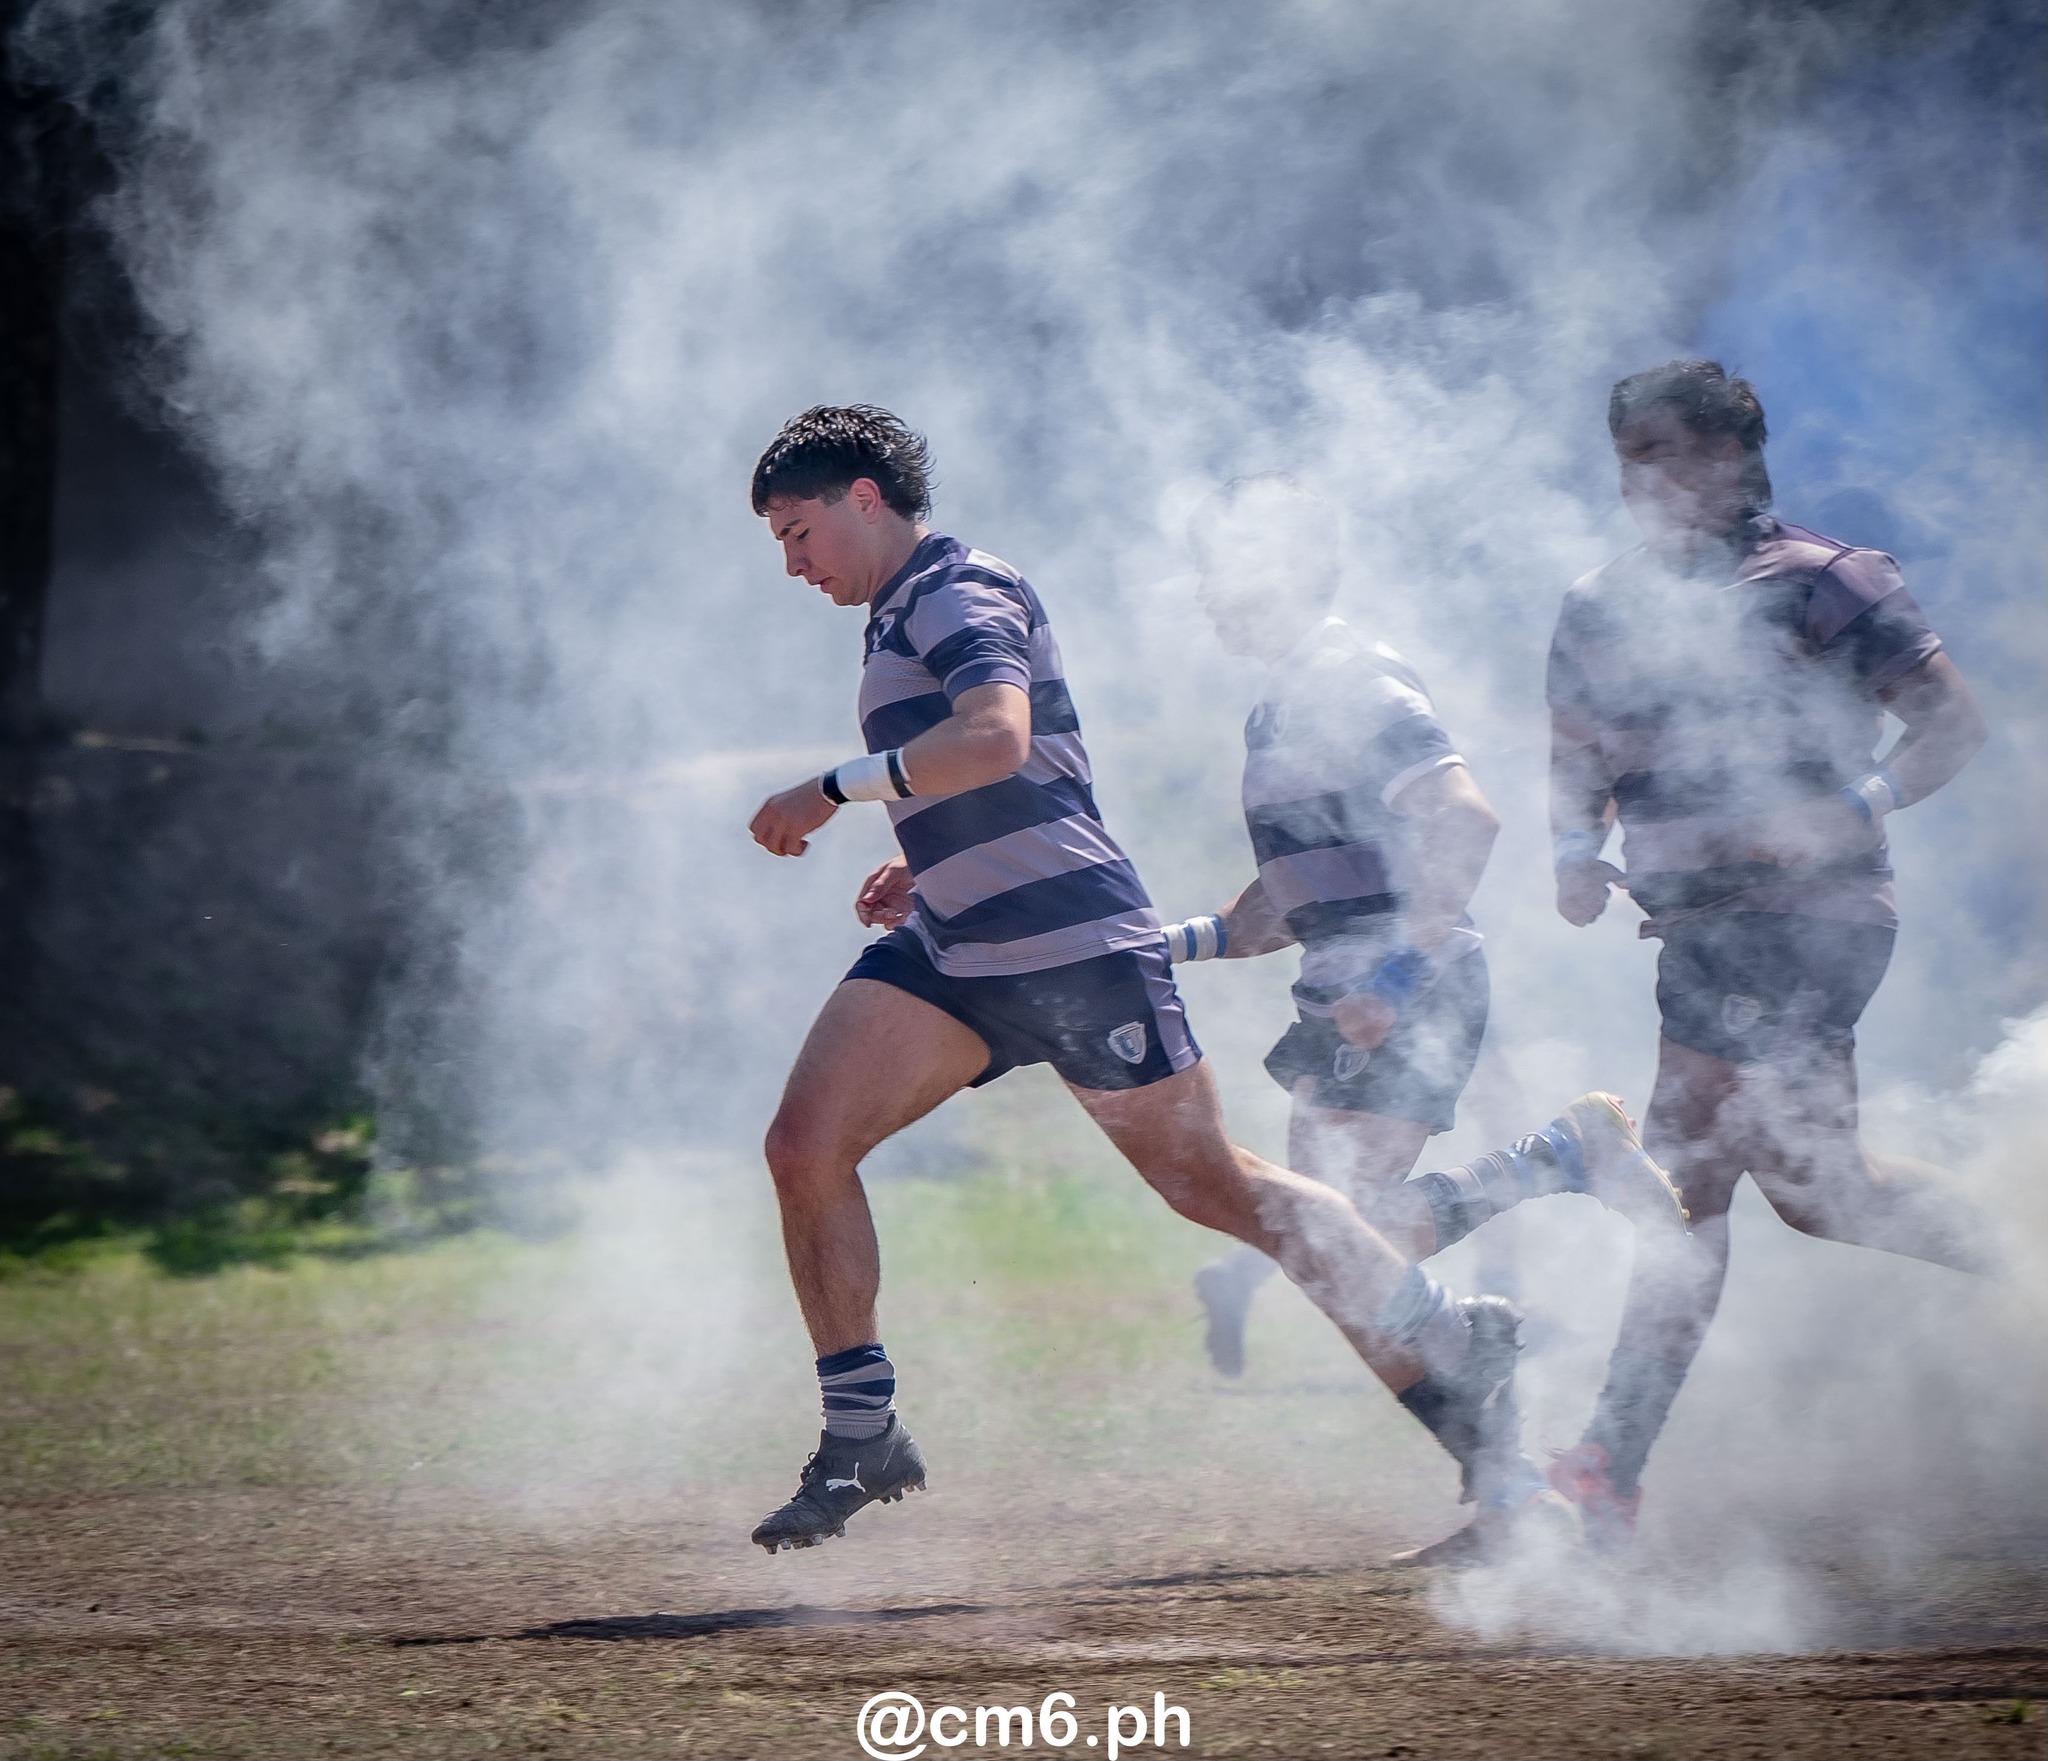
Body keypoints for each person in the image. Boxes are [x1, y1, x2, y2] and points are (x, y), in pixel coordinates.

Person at [742, 406, 1634, 1562]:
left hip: (1067, 944)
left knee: (1224, 1191)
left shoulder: (956, 591)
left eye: (799, 530)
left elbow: (999, 737)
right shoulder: (893, 615)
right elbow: (1011, 779)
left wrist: (833, 787)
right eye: (778, 542)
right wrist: (925, 858)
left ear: (866, 497)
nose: (792, 562)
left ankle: (1459, 1367)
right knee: (803, 1144)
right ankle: (861, 1432)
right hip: (961, 944)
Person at [1157, 480, 1687, 1565]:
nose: (1202, 590)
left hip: (1397, 991)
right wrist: (1159, 945)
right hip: (1347, 988)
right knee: (1328, 1236)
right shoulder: (1281, 699)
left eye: (1219, 565)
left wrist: (1394, 979)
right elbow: (1278, 903)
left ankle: (1554, 1180)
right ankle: (1497, 1465)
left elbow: (1462, 817)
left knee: (1322, 1236)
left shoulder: (1349, 676)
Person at [1545, 360, 1992, 1545]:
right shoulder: (1600, 603)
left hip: (1814, 923)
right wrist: (1570, 851)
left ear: (1735, 455)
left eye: (1668, 452)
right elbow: (1577, 749)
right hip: (1696, 933)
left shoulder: (1825, 580)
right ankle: (2025, 1257)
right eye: (1628, 457)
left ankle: (1605, 1470)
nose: (1646, 479)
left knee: (1680, 1180)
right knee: (1816, 1195)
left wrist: (1855, 805)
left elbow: (1952, 719)